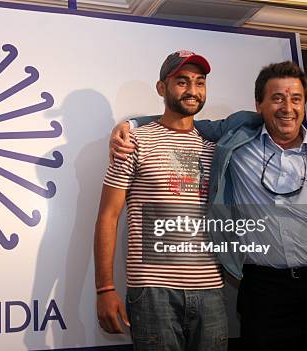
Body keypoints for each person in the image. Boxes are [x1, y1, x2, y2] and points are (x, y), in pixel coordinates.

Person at [111, 61, 307, 350]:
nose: (287, 107)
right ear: (259, 105)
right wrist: (130, 125)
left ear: (305, 105)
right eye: (277, 98)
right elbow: (182, 118)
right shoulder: (237, 140)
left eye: (296, 99)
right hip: (264, 292)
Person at [94, 50, 227, 351]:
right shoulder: (133, 142)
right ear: (161, 88)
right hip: (153, 291)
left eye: (200, 82)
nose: (192, 90)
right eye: (182, 81)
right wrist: (104, 288)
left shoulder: (217, 147)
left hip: (211, 290)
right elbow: (108, 216)